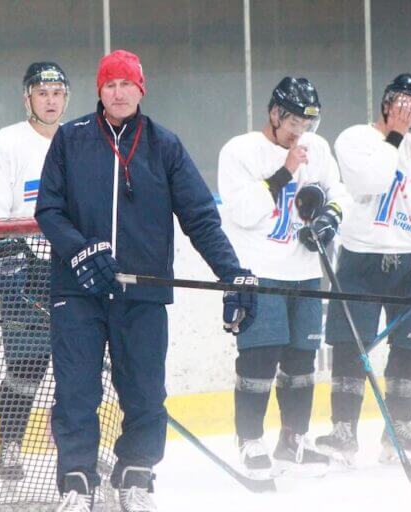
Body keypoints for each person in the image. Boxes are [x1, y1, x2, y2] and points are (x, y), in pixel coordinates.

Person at [35, 49, 257, 512]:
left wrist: (231, 271)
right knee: (76, 391)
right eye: (110, 84)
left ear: (141, 89)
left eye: (127, 84)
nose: (118, 92)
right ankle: (77, 483)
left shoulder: (164, 145)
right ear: (100, 90)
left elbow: (200, 217)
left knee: (145, 393)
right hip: (77, 292)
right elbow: (49, 210)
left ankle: (136, 475)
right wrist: (82, 250)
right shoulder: (70, 139)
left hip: (144, 291)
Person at [315, 74, 411, 466]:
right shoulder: (354, 138)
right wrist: (395, 136)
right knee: (349, 345)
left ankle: (401, 429)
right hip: (361, 258)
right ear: (387, 102)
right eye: (403, 103)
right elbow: (370, 180)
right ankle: (343, 431)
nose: (410, 112)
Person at [218, 77, 348, 478]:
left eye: (308, 124)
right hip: (260, 273)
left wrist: (330, 219)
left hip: (307, 274)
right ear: (275, 114)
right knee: (258, 359)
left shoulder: (318, 148)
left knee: (301, 361)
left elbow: (337, 189)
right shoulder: (239, 151)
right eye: (294, 122)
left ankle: (294, 440)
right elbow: (243, 211)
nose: (301, 132)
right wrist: (286, 170)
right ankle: (250, 439)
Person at [0, 61, 69, 481]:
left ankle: (72, 442)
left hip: (72, 265)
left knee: (78, 364)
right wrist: (12, 264)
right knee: (26, 367)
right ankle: (10, 444)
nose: (50, 101)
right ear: (27, 97)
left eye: (57, 93)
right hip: (24, 270)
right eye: (42, 92)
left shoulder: (80, 139)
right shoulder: (5, 143)